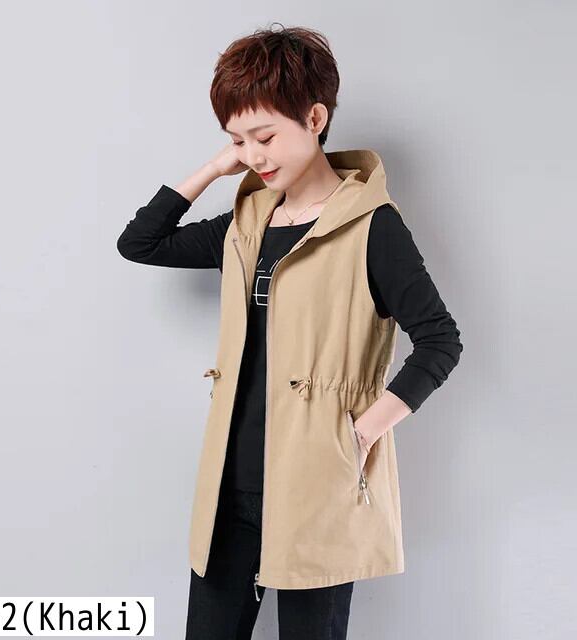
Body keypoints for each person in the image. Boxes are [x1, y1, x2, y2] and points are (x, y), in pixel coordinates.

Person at [117, 23, 463, 640]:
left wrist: (361, 432)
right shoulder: (245, 223)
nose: (253, 155)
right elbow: (141, 243)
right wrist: (216, 167)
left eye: (266, 135)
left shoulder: (371, 226)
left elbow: (440, 340)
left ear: (315, 117)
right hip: (230, 488)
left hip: (318, 483)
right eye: (237, 140)